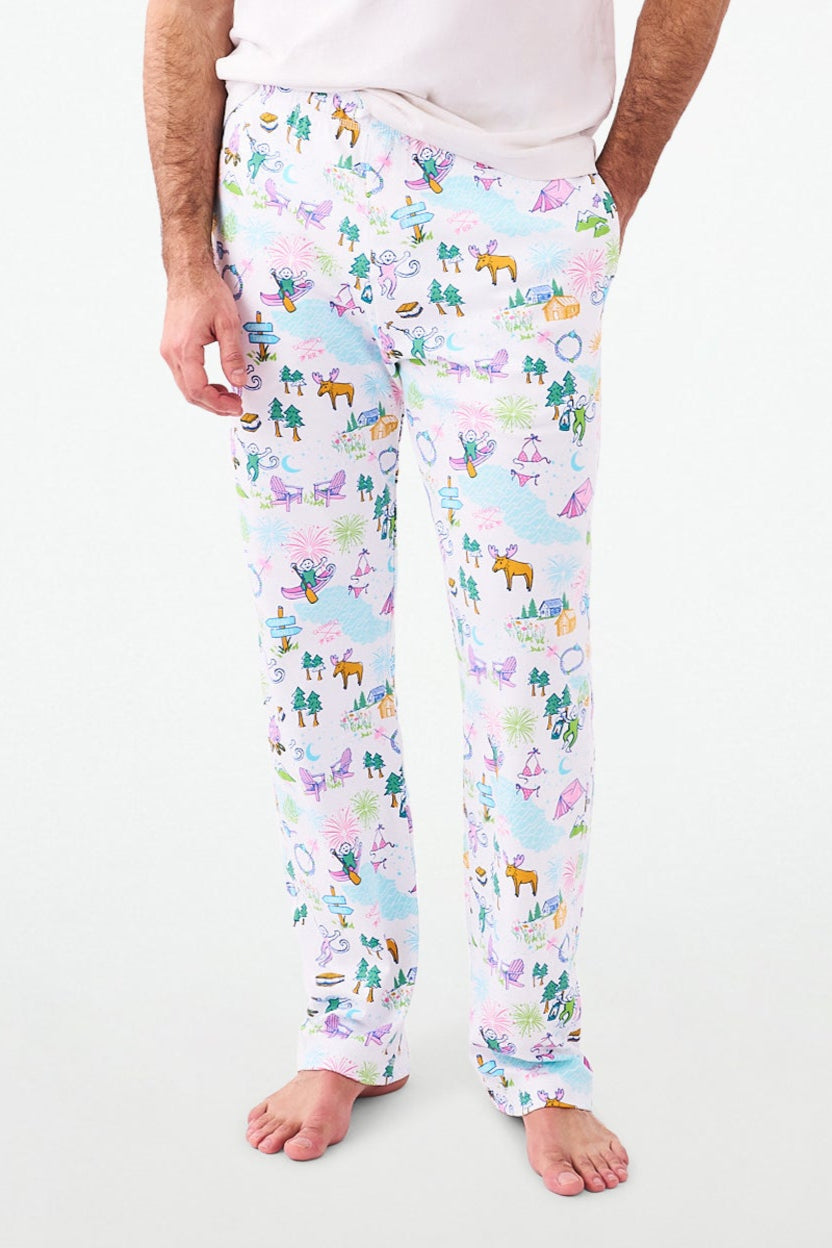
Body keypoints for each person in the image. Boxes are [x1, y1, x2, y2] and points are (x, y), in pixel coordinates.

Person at [143, 0, 730, 1197]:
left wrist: (611, 189)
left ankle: (533, 1045)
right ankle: (350, 1015)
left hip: (517, 196)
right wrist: (185, 257)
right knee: (315, 644)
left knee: (527, 661)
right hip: (293, 190)